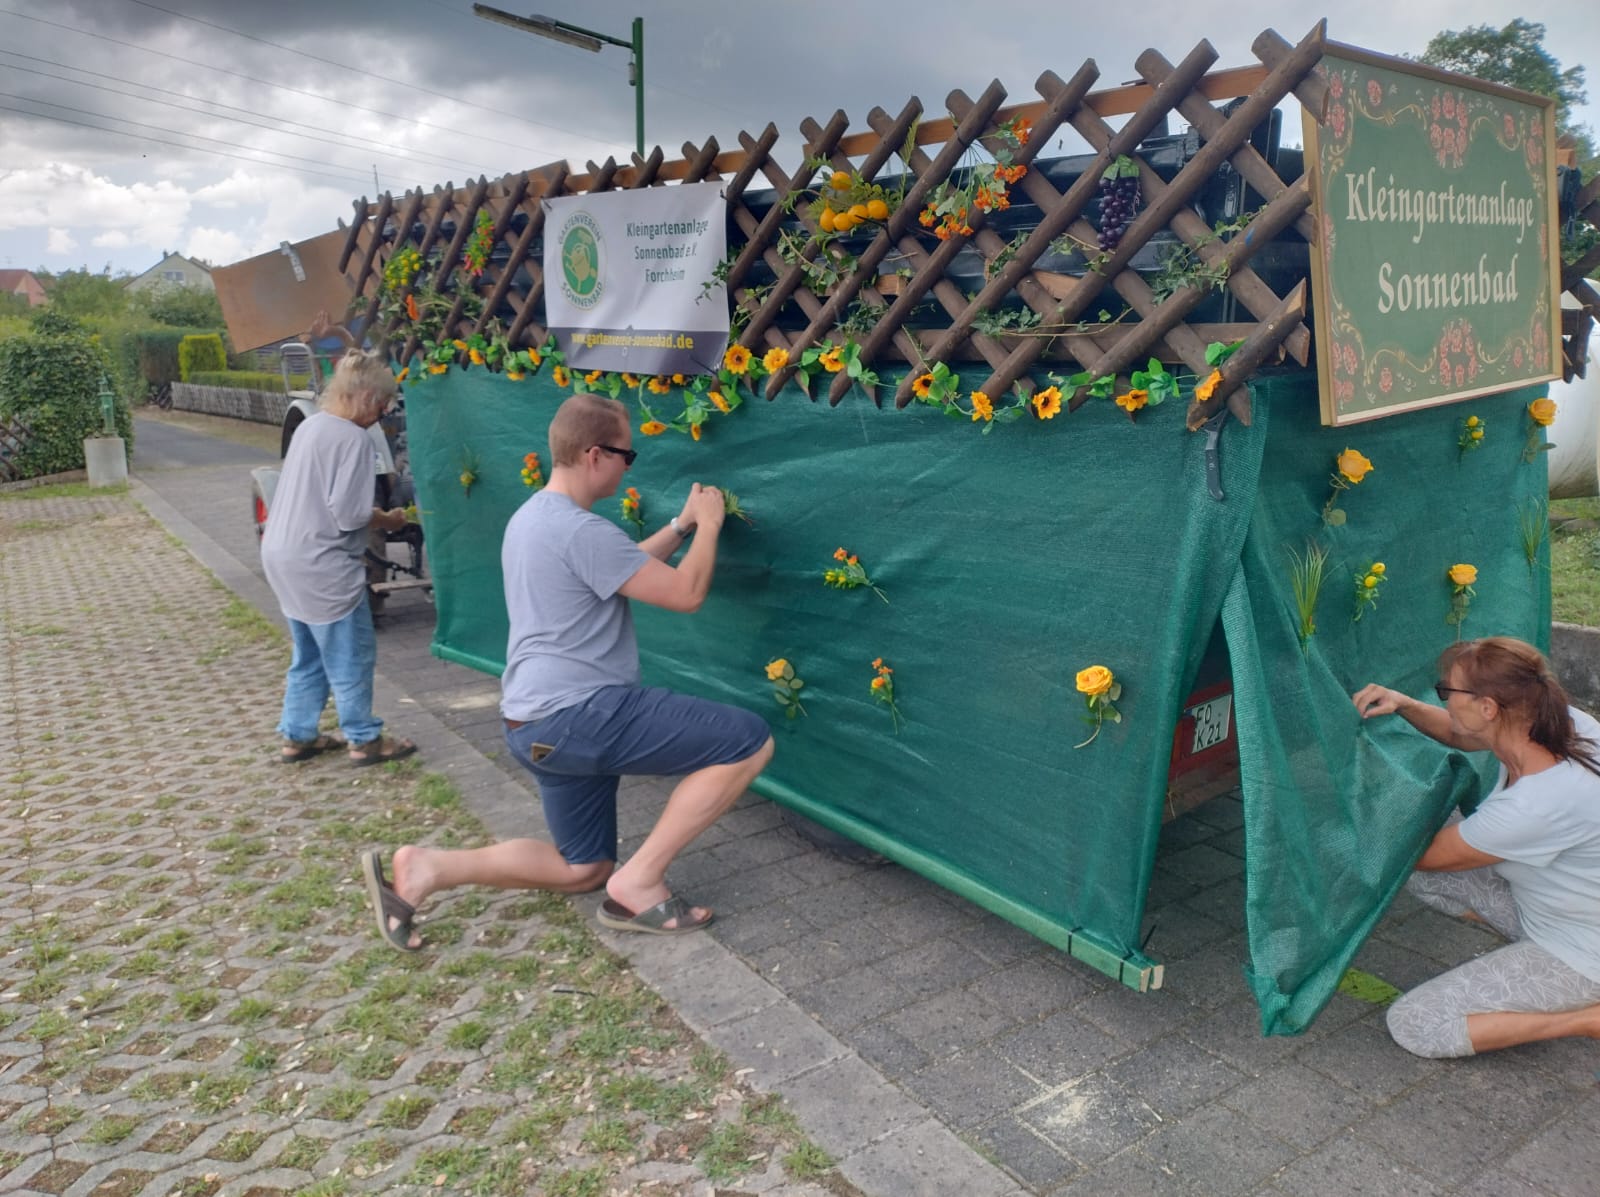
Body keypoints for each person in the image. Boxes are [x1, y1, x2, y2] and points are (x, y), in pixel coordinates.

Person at [361, 392, 774, 950]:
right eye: (627, 456)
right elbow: (686, 593)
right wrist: (710, 525)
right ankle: (641, 881)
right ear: (595, 455)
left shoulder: (534, 517)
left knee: (583, 868)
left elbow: (620, 567)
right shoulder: (580, 530)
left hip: (531, 724)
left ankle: (427, 868)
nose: (629, 468)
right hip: (579, 714)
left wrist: (680, 525)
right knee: (748, 742)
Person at [1352, 636, 1600, 1057]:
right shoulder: (1555, 722)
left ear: (1487, 708)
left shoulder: (1535, 807)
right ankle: (1525, 964)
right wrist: (1403, 704)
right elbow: (1461, 733)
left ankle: (1586, 1018)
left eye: (1447, 691)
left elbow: (1419, 855)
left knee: (1415, 1023)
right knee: (1428, 876)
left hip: (1581, 955)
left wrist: (1358, 811)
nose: (1444, 698)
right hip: (1559, 914)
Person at [261, 349, 418, 767]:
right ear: (365, 397)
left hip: (282, 555)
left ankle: (298, 735)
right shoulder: (352, 439)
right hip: (321, 563)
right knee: (351, 653)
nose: (384, 413)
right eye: (383, 404)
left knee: (309, 654)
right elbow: (348, 515)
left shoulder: (312, 426)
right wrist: (387, 518)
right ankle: (364, 739)